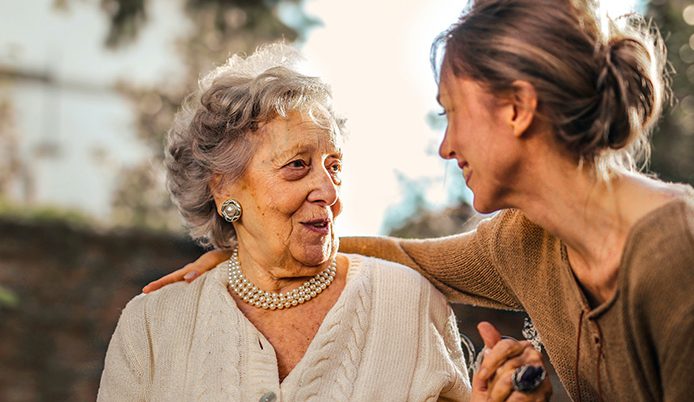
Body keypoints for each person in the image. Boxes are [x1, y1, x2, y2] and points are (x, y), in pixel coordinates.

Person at [144, 0, 694, 402]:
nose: (446, 146)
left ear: (517, 108)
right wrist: (248, 249)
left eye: (451, 111)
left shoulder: (688, 271)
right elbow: (403, 256)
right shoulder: (527, 241)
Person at [97, 43, 478, 401]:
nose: (328, 192)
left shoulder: (409, 303)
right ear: (224, 188)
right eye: (297, 165)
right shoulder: (150, 326)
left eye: (335, 167)